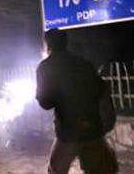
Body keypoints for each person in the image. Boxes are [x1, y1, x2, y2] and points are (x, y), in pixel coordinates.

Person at [36, 30, 118, 174]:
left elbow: (45, 103)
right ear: (65, 43)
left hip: (69, 132)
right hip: (93, 128)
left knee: (56, 170)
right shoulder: (83, 63)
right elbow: (100, 88)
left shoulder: (45, 67)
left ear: (48, 45)